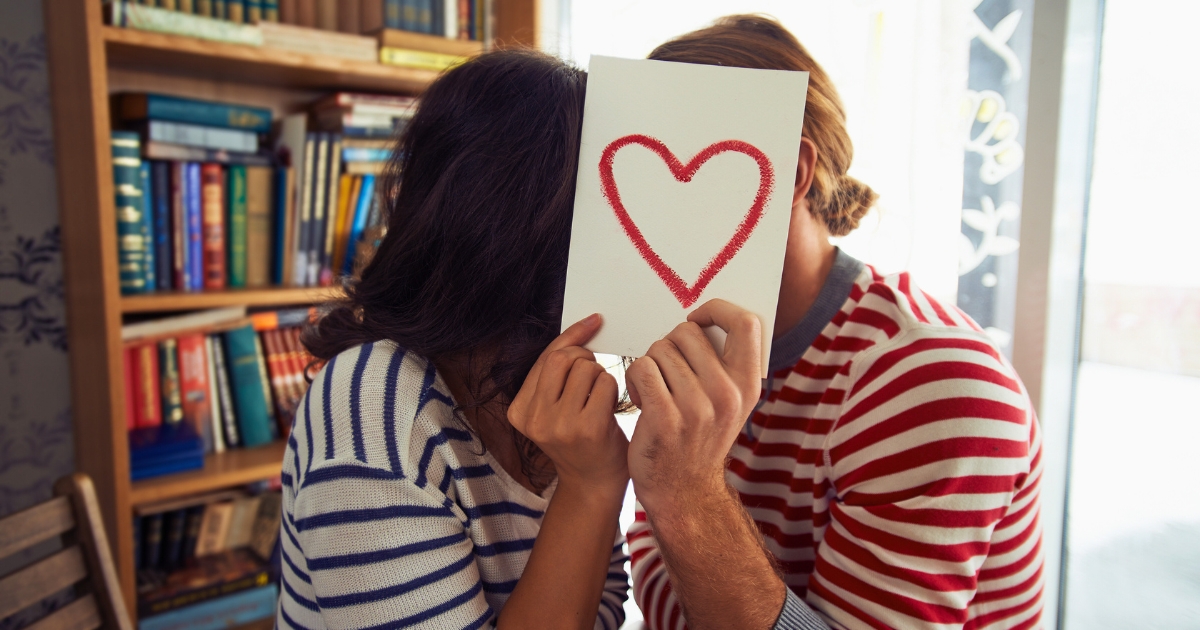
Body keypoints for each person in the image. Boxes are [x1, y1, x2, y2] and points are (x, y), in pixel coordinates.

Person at [625, 16, 1045, 630]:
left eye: (686, 162)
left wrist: (684, 493)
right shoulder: (696, 346)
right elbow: (667, 605)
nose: (639, 204)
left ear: (790, 173)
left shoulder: (931, 379)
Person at [277, 49, 631, 629]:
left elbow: (605, 607)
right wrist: (591, 487)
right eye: (610, 205)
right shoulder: (373, 407)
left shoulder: (537, 381)